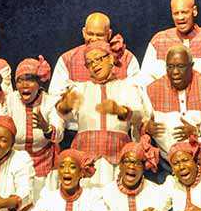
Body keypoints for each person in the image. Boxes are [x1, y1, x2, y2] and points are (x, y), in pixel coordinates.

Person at [55, 40, 150, 188]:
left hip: (117, 156)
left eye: (99, 59)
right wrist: (65, 105)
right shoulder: (80, 88)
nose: (95, 65)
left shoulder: (126, 86)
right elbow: (64, 115)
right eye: (89, 63)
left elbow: (139, 116)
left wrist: (119, 110)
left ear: (111, 58)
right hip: (86, 157)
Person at [0, 56, 64, 197]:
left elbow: (59, 134)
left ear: (39, 82)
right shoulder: (11, 100)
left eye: (29, 80)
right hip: (14, 165)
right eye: (20, 81)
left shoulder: (51, 102)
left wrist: (46, 128)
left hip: (43, 166)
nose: (24, 85)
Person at [141, 44, 201, 177]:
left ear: (191, 66)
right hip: (166, 166)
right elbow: (140, 122)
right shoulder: (152, 89)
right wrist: (147, 127)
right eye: (170, 67)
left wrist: (196, 132)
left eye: (180, 67)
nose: (175, 72)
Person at [139, 0, 201, 84]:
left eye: (184, 12)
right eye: (176, 13)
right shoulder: (158, 41)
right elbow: (145, 79)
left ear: (194, 11)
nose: (180, 17)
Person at [48, 12, 142, 96]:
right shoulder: (67, 60)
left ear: (109, 34)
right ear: (84, 33)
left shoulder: (127, 58)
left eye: (99, 35)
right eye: (90, 34)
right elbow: (55, 96)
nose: (94, 39)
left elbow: (138, 94)